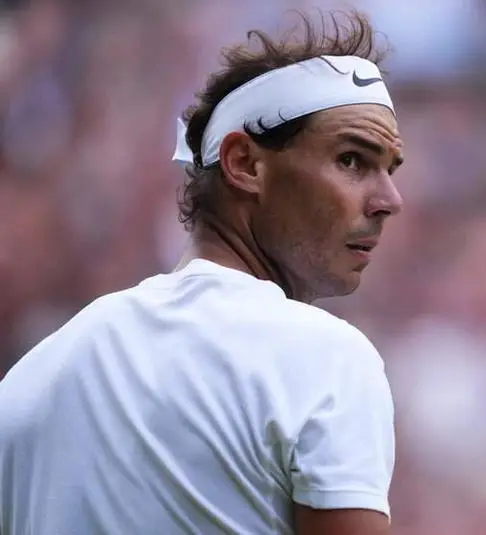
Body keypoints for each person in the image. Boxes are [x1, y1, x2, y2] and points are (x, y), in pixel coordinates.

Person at [0, 11, 404, 535]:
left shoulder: (31, 378)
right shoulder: (329, 359)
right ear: (245, 163)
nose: (389, 200)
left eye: (389, 169)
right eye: (351, 160)